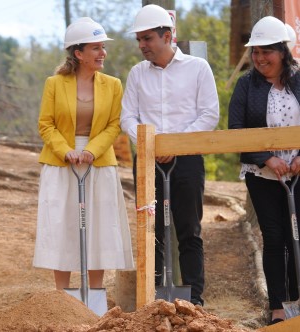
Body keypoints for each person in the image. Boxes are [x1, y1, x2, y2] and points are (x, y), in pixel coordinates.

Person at [120, 4, 219, 306]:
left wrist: (173, 145)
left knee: (189, 230)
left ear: (167, 36)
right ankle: (153, 299)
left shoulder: (198, 68)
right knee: (151, 231)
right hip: (147, 163)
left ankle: (194, 301)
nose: (141, 46)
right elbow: (127, 117)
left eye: (147, 38)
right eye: (139, 40)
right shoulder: (137, 74)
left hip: (187, 160)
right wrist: (151, 146)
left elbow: (209, 114)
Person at [228, 16, 300, 325]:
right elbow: (236, 130)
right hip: (264, 174)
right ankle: (278, 306)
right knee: (274, 237)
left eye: (266, 51)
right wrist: (267, 158)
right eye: (255, 52)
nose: (259, 58)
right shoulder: (246, 85)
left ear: (283, 51)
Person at [33, 17, 134, 290]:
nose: (103, 53)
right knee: (62, 223)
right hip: (60, 163)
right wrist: (66, 151)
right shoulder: (54, 84)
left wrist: (91, 150)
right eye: (96, 48)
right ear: (78, 54)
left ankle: (96, 292)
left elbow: (115, 125)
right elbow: (46, 124)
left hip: (98, 162)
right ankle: (63, 296)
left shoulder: (113, 85)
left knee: (98, 224)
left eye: (103, 47)